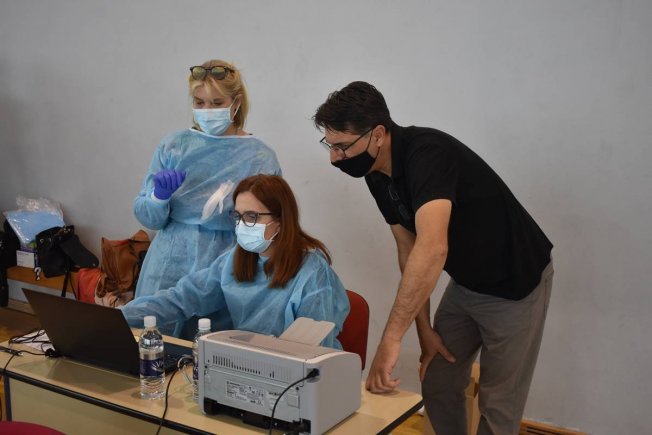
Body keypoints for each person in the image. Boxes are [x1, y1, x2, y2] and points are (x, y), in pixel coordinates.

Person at [313, 81, 553, 435]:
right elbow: (408, 248)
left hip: (517, 282)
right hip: (467, 282)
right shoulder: (376, 173)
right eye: (330, 145)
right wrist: (424, 331)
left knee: (499, 403)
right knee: (438, 378)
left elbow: (432, 247)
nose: (335, 158)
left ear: (377, 134)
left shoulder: (429, 154)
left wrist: (391, 339)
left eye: (342, 147)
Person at [133, 59, 281, 338]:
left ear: (236, 103)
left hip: (225, 263)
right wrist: (158, 197)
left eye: (216, 103)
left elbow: (270, 224)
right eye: (199, 103)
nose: (207, 110)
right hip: (167, 263)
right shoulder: (174, 146)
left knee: (212, 348)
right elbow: (147, 217)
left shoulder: (260, 157)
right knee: (154, 339)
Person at [121, 174, 350, 349]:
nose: (241, 225)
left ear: (281, 220)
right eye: (238, 216)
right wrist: (119, 317)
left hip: (296, 376)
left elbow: (315, 349)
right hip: (245, 366)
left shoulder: (312, 272)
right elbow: (182, 298)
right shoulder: (236, 258)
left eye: (251, 217)